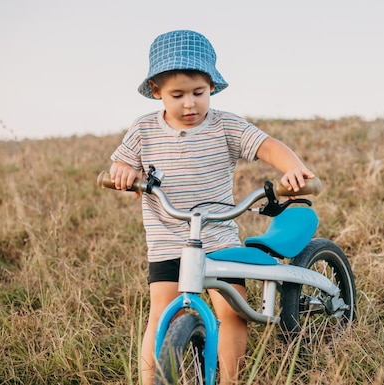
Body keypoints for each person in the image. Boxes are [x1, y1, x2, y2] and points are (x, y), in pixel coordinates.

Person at [109, 30, 315, 385]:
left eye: (198, 93)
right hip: (166, 237)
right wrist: (123, 173)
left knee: (232, 311)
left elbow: (267, 145)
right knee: (160, 313)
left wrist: (292, 167)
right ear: (156, 91)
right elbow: (121, 166)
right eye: (177, 95)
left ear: (212, 88)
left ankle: (230, 379)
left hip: (219, 236)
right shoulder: (143, 130)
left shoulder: (225, 126)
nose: (189, 104)